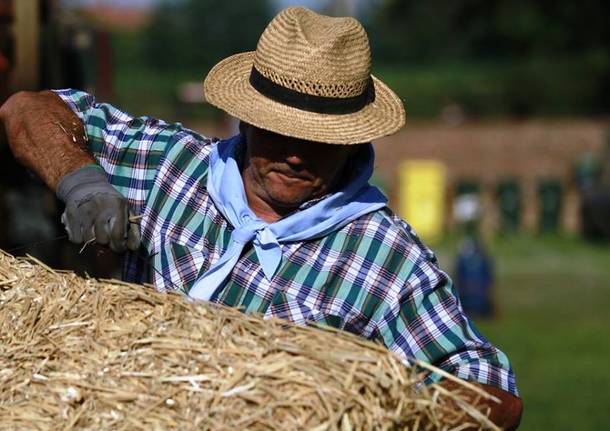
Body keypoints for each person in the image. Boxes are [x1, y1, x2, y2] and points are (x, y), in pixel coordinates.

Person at [0, 7, 522, 429]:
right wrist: (84, 184)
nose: (296, 153)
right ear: (247, 116)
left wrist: (369, 411)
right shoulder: (171, 168)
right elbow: (27, 109)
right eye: (278, 130)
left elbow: (490, 393)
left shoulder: (384, 258)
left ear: (352, 137)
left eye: (318, 138)